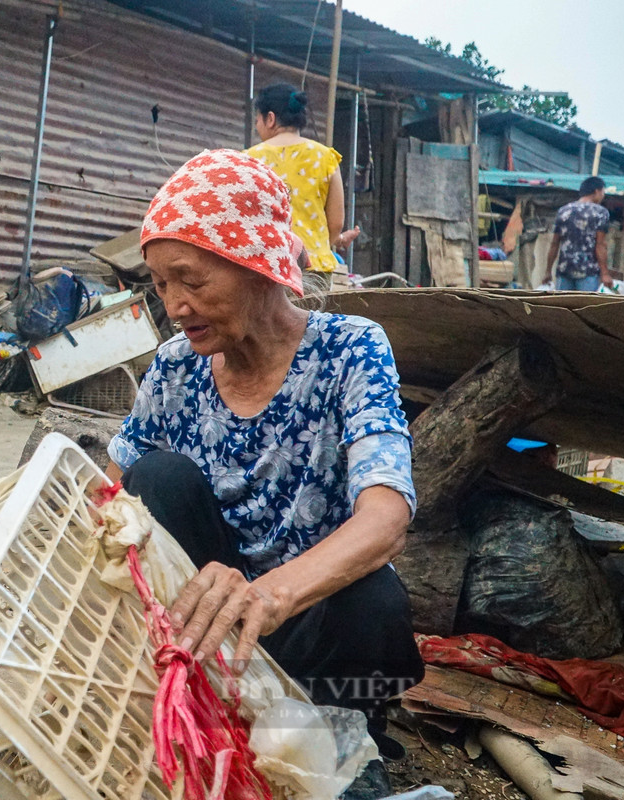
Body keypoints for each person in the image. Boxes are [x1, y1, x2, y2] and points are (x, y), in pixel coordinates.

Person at [108, 149, 423, 796]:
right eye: (161, 283)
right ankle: (189, 690)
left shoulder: (350, 349)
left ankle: (334, 720)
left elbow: (387, 516)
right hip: (206, 622)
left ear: (257, 264)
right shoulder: (174, 367)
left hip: (307, 623)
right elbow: (112, 490)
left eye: (191, 280)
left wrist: (267, 597)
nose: (175, 304)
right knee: (157, 480)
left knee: (374, 599)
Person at [247, 84, 359, 291]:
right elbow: (336, 223)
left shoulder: (249, 159)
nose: (257, 127)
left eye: (257, 121)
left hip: (265, 266)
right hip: (313, 268)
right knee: (309, 323)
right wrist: (338, 239)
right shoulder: (325, 157)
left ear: (270, 118)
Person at [547, 176, 611, 291]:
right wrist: (605, 273)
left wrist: (547, 271)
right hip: (588, 272)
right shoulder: (600, 213)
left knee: (562, 307)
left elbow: (555, 243)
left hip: (564, 270)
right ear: (597, 191)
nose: (603, 195)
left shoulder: (563, 211)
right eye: (602, 192)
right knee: (586, 308)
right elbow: (600, 245)